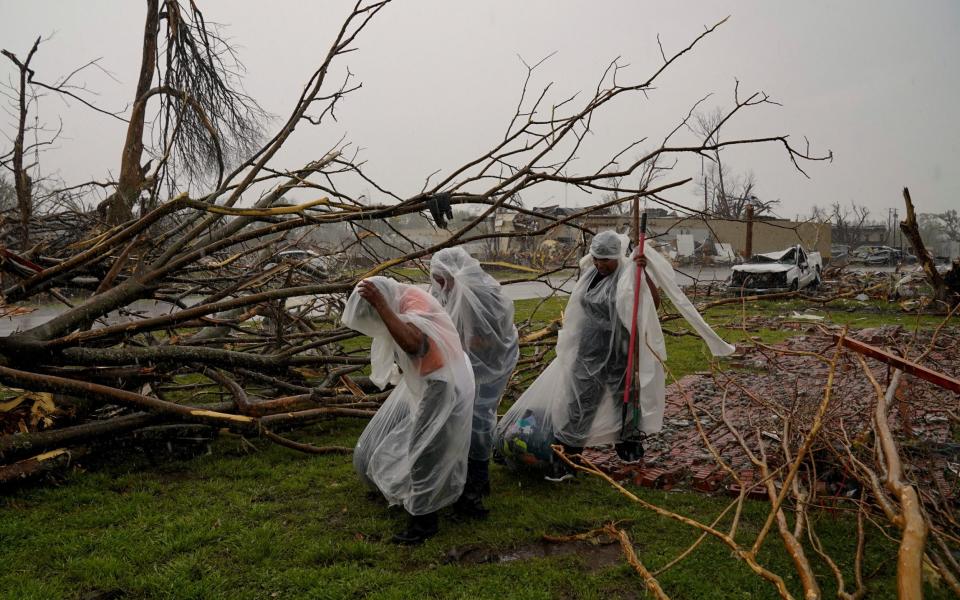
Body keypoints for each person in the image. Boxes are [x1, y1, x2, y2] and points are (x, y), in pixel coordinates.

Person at [495, 231, 736, 481]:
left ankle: (628, 444)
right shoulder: (590, 274)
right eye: (596, 258)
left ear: (616, 258)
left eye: (605, 260)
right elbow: (579, 309)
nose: (599, 264)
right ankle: (568, 457)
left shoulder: (628, 274)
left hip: (620, 349)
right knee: (581, 401)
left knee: (625, 398)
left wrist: (644, 274)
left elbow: (651, 302)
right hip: (589, 349)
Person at [342, 276, 475, 544]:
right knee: (440, 444)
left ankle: (423, 523)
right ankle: (462, 500)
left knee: (424, 449)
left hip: (443, 382)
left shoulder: (408, 302)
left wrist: (381, 306)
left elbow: (417, 344)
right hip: (447, 375)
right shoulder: (405, 298)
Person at [430, 247, 520, 518]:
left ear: (455, 273)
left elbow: (489, 338)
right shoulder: (448, 288)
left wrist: (455, 346)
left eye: (443, 279)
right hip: (465, 361)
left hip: (490, 364)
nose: (439, 285)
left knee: (478, 419)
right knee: (459, 418)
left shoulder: (482, 293)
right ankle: (469, 480)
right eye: (436, 279)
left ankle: (475, 489)